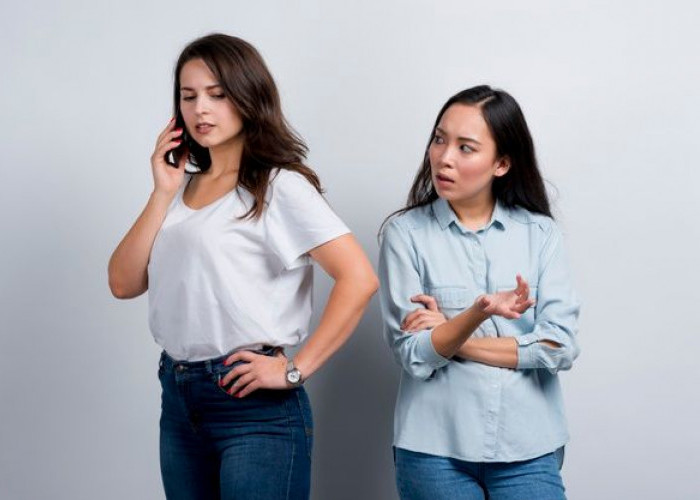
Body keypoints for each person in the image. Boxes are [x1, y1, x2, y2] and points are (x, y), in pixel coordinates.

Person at [108, 33, 378, 500]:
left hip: (254, 408)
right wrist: (161, 192)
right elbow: (123, 282)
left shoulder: (277, 186)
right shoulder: (177, 192)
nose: (200, 109)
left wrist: (294, 370)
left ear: (248, 96)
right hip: (179, 399)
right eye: (188, 96)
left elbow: (359, 279)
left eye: (217, 94)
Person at [378, 85, 580, 500]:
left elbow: (558, 348)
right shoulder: (405, 234)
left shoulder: (540, 234)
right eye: (439, 139)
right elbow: (414, 354)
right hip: (433, 448)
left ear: (502, 163)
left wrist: (453, 335)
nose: (444, 157)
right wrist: (480, 313)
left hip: (529, 446)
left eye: (465, 148)